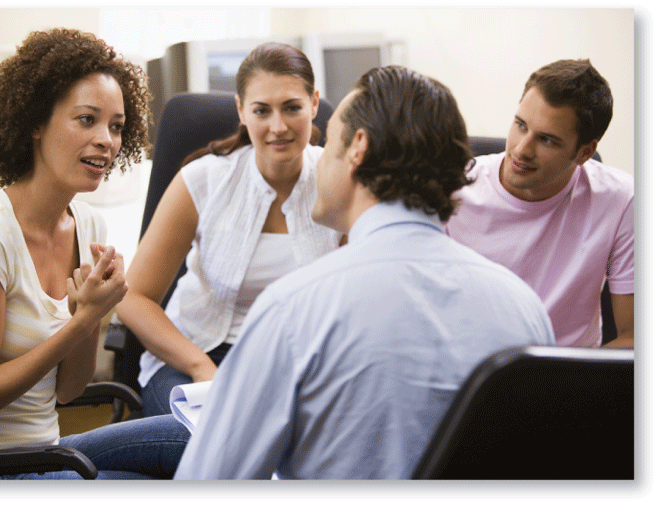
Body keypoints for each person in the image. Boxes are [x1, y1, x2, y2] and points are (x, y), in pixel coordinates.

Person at [173, 66, 555, 480]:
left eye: (330, 139)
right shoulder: (525, 309)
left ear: (357, 147)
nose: (318, 166)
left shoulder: (293, 310)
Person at [0, 28, 188, 479]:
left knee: (196, 435)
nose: (107, 140)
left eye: (116, 126)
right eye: (87, 119)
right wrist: (86, 320)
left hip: (49, 451)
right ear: (35, 122)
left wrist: (88, 318)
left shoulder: (88, 226)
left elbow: (68, 391)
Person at [115, 42, 343, 417]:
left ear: (314, 104)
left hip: (297, 363)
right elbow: (133, 296)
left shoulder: (338, 183)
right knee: (207, 445)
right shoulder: (203, 179)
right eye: (261, 110)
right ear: (241, 110)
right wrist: (200, 368)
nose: (278, 126)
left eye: (292, 107)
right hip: (195, 356)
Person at [444, 59, 634, 348]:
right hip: (468, 376)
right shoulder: (451, 187)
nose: (521, 150)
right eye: (520, 125)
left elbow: (633, 338)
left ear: (584, 152)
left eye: (546, 140)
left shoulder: (621, 200)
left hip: (568, 380)